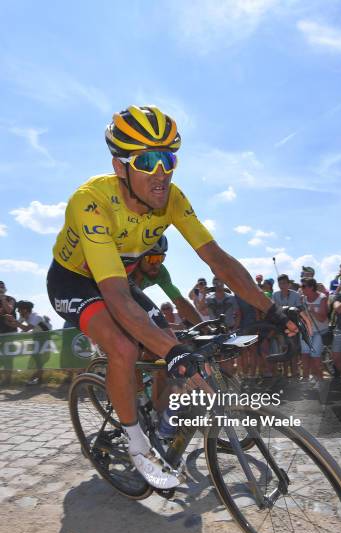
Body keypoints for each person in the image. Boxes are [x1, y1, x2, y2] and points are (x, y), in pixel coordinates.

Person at [47, 104, 298, 490]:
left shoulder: (173, 199)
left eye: (168, 158)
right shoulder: (91, 201)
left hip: (119, 280)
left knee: (171, 341)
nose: (161, 172)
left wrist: (272, 309)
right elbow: (114, 295)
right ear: (120, 168)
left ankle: (155, 413)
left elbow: (217, 259)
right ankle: (136, 446)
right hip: (76, 281)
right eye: (147, 160)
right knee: (124, 348)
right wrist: (172, 352)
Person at [130, 235, 202, 325]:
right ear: (138, 257)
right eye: (152, 259)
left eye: (161, 258)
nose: (156, 265)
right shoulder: (125, 271)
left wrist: (204, 327)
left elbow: (180, 303)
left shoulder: (160, 272)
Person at [300, 278, 329, 383]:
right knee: (305, 355)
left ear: (311, 287)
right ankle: (305, 379)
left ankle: (320, 381)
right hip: (306, 331)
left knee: (315, 358)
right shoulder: (302, 299)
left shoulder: (322, 298)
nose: (301, 288)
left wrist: (312, 311)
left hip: (319, 332)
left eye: (303, 286)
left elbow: (323, 318)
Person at [273, 274, 302, 378]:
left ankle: (295, 373)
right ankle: (285, 374)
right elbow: (274, 310)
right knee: (284, 350)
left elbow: (299, 310)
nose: (282, 285)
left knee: (293, 351)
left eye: (284, 283)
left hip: (293, 326)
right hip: (281, 326)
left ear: (288, 284)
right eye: (280, 283)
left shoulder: (296, 295)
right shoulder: (275, 295)